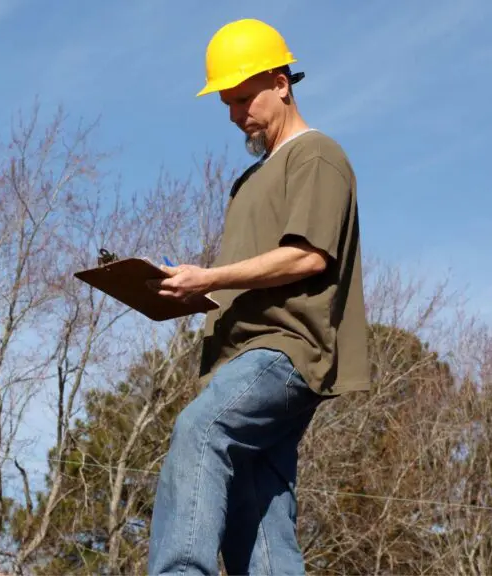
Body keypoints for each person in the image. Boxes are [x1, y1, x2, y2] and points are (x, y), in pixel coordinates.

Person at [146, 18, 371, 575]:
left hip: (285, 350)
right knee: (259, 511)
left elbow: (308, 256)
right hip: (238, 356)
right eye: (226, 103)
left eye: (245, 98)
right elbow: (248, 277)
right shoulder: (249, 181)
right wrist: (186, 289)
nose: (234, 114)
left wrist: (210, 278)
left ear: (281, 82)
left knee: (201, 430)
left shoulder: (316, 155)